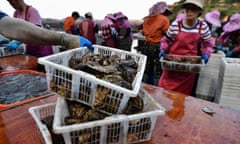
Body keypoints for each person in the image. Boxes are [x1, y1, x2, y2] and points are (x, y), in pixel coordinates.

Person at [158, 0, 215, 95]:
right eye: (187, 8)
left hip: (189, 66)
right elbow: (166, 40)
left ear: (199, 11)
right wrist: (163, 49)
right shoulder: (176, 24)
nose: (189, 11)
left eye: (193, 9)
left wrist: (206, 54)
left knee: (182, 96)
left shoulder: (202, 26)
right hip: (172, 64)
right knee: (165, 91)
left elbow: (208, 43)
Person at [0, 11, 93, 52]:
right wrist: (66, 38)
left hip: (40, 44)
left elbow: (11, 26)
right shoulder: (72, 20)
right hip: (36, 46)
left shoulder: (68, 19)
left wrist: (66, 38)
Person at [136, 1, 172, 85]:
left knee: (146, 67)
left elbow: (144, 32)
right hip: (157, 46)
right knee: (157, 69)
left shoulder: (147, 20)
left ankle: (142, 85)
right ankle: (156, 89)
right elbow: (168, 34)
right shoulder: (164, 19)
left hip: (146, 44)